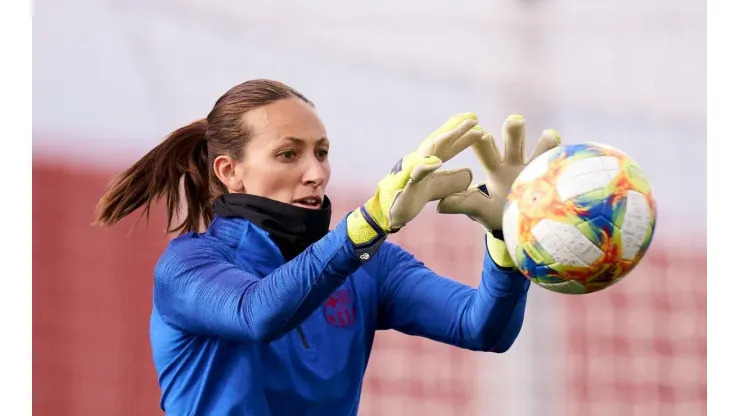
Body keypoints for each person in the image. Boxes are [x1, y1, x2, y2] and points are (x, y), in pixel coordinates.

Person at [94, 79, 561, 416]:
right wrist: (370, 223)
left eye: (321, 151)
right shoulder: (189, 265)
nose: (315, 172)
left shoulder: (370, 264)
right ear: (229, 172)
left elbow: (483, 328)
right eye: (288, 153)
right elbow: (256, 313)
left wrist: (506, 237)